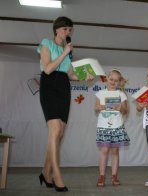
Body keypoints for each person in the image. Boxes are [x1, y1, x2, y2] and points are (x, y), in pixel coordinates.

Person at [37, 16, 93, 192]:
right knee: (54, 130)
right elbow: (47, 68)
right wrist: (64, 52)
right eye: (64, 29)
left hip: (63, 86)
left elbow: (70, 74)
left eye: (69, 30)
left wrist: (85, 77)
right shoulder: (47, 43)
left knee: (59, 132)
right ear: (56, 29)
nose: (67, 32)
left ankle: (45, 172)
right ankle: (56, 175)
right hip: (49, 84)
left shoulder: (68, 51)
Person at [95, 69, 130, 187]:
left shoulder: (121, 94)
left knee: (115, 151)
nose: (113, 82)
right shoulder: (100, 93)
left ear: (119, 82)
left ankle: (114, 176)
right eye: (111, 79)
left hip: (116, 126)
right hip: (103, 126)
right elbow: (96, 107)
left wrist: (121, 108)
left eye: (116, 80)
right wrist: (99, 107)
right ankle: (102, 175)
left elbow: (125, 110)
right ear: (106, 79)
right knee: (104, 150)